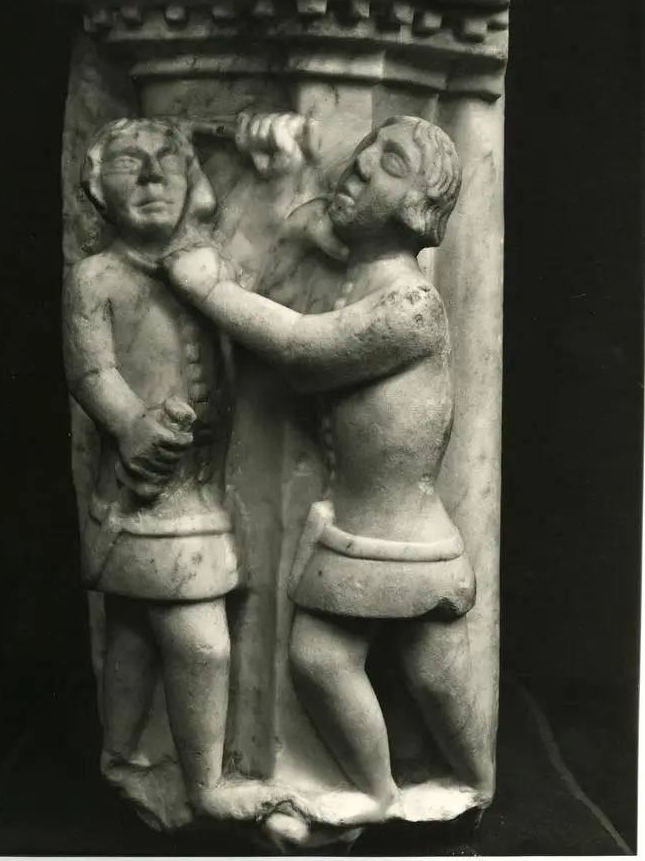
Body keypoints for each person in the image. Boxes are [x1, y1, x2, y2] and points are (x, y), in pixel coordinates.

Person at [164, 115, 491, 820]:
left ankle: (467, 782)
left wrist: (206, 289)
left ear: (417, 209)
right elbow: (307, 224)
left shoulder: (410, 306)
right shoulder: (358, 273)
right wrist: (274, 163)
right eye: (365, 150)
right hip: (362, 524)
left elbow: (303, 350)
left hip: (400, 532)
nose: (361, 166)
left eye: (389, 164)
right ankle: (390, 790)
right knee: (347, 662)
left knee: (429, 673)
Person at [63, 117, 258, 819]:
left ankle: (124, 758)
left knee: (134, 638)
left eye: (167, 161)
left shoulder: (210, 271)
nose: (150, 176)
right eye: (128, 162)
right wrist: (130, 423)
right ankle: (205, 786)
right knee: (199, 646)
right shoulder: (97, 277)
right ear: (97, 188)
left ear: (192, 182)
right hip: (149, 495)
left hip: (204, 488)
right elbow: (91, 370)